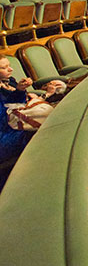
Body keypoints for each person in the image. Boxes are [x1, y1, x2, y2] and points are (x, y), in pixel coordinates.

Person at [0, 57, 35, 186]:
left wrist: (20, 90)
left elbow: (13, 105)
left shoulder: (9, 81)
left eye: (9, 65)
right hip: (4, 135)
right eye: (4, 67)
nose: (11, 69)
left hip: (13, 125)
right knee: (37, 134)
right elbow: (6, 113)